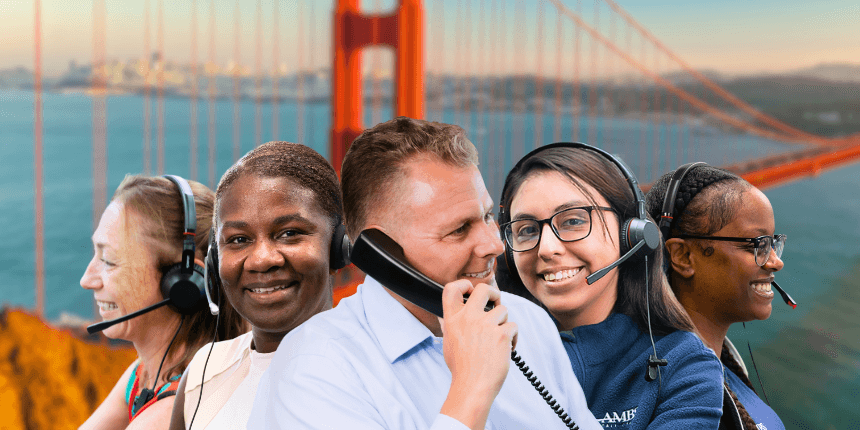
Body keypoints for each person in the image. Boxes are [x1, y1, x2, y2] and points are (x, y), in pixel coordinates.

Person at [249, 117, 602, 430]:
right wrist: (471, 389)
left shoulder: (527, 322)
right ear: (381, 254)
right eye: (460, 229)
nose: (494, 245)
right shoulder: (313, 369)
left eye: (487, 216)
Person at [495, 143, 724, 428]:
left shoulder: (685, 365)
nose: (546, 248)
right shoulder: (487, 353)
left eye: (573, 221)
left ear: (632, 234)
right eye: (527, 230)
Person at [166, 141, 348, 430]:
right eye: (238, 239)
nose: (262, 260)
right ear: (214, 261)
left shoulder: (379, 375)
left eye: (289, 233)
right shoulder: (204, 372)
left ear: (339, 246)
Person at [79, 175, 245, 430]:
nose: (87, 280)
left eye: (109, 260)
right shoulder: (147, 373)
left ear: (186, 282)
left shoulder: (168, 415)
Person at [645, 163, 787, 430]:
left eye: (773, 243)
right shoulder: (681, 395)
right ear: (683, 256)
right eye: (756, 245)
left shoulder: (721, 361)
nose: (775, 262)